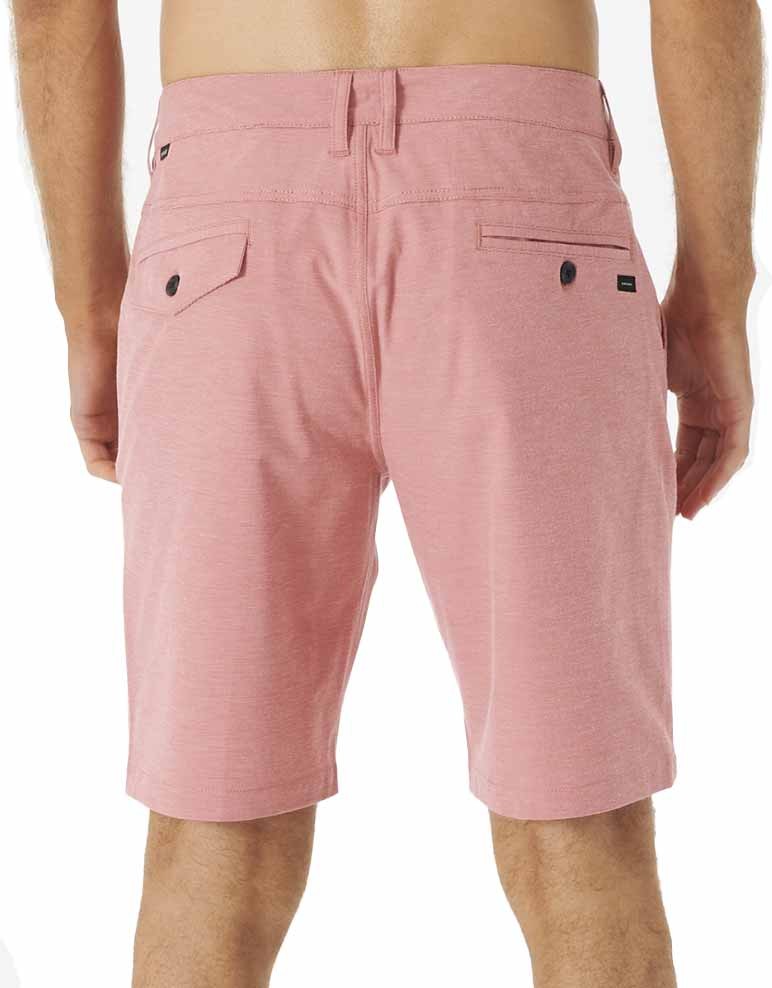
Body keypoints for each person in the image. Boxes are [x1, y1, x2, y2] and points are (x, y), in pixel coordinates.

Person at [10, 1, 760, 986]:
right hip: (519, 200)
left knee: (210, 841)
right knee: (582, 833)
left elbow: (54, 9)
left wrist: (91, 308)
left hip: (228, 220)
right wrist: (717, 293)